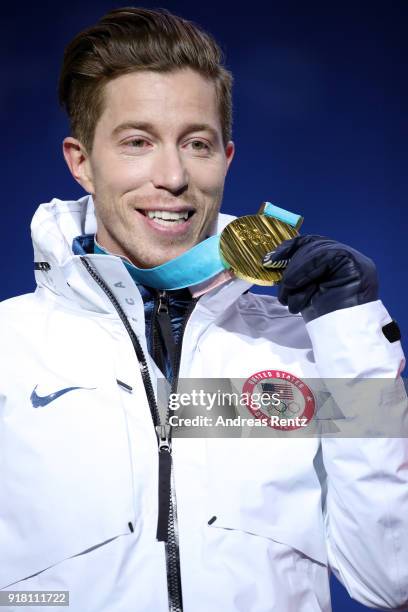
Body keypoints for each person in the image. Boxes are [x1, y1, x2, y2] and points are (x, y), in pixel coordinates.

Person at [0, 7, 407, 612]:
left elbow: (391, 579)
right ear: (81, 161)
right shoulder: (10, 345)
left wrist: (352, 330)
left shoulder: (306, 344)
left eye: (197, 144)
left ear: (227, 158)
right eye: (137, 142)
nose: (172, 176)